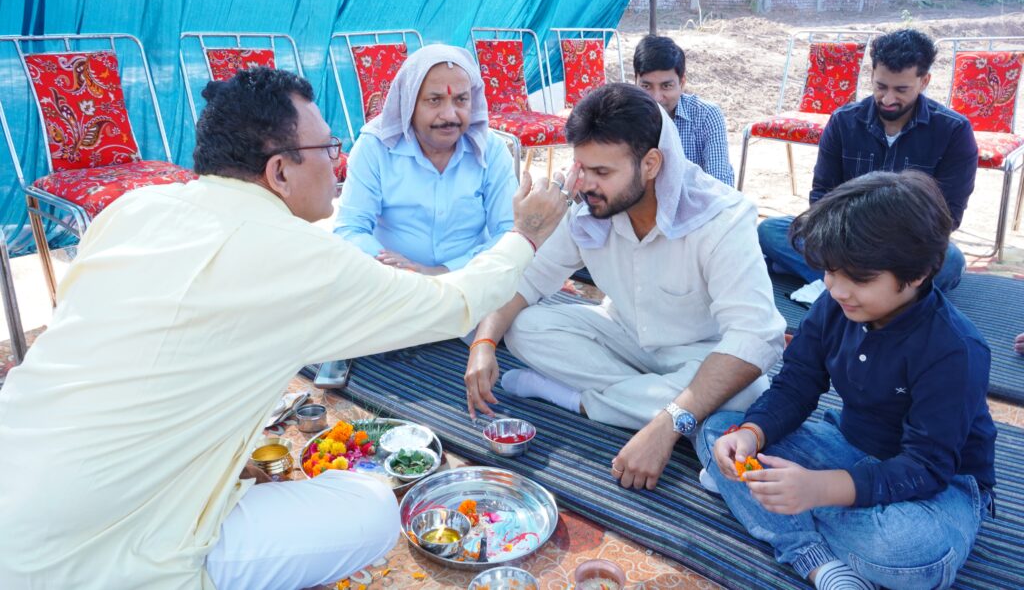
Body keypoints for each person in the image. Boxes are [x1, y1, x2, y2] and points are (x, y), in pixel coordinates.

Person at [0, 68, 572, 590]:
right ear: (279, 170)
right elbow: (453, 303)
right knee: (371, 509)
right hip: (96, 555)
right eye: (327, 148)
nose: (337, 161)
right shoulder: (295, 253)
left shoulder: (133, 208)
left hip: (15, 472)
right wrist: (526, 235)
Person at [464, 83, 786, 490]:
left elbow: (756, 335)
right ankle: (679, 413)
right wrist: (483, 344)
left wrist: (667, 425)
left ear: (650, 164)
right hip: (622, 336)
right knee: (521, 326)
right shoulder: (590, 207)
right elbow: (524, 282)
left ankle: (573, 399)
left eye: (602, 172)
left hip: (701, 355)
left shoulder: (723, 219)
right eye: (582, 167)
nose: (584, 184)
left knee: (750, 389)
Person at [700, 170, 996, 590]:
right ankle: (819, 561)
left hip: (941, 485)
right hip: (850, 445)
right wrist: (751, 434)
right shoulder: (836, 305)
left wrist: (817, 490)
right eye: (829, 271)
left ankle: (770, 504)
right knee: (716, 431)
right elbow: (797, 383)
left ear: (916, 274)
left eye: (858, 278)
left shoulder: (955, 349)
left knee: (912, 555)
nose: (837, 289)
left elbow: (927, 467)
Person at [758, 28, 977, 294]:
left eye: (901, 90)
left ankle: (837, 280)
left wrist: (889, 242)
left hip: (906, 247)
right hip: (846, 239)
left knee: (951, 262)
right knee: (770, 231)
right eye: (881, 86)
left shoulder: (953, 131)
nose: (888, 99)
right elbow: (822, 196)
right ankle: (887, 292)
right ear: (872, 74)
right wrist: (850, 238)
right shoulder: (844, 121)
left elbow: (948, 217)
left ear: (924, 81)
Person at [335, 44, 517, 274]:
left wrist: (445, 271)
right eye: (434, 100)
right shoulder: (375, 147)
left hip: (471, 279)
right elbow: (350, 229)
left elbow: (509, 231)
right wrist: (397, 269)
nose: (450, 115)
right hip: (393, 282)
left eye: (461, 100)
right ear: (409, 103)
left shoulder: (491, 149)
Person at [633, 34, 734, 185]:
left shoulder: (706, 116)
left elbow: (719, 186)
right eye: (646, 86)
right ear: (635, 81)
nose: (656, 98)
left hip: (697, 206)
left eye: (666, 86)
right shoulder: (623, 118)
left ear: (682, 83)